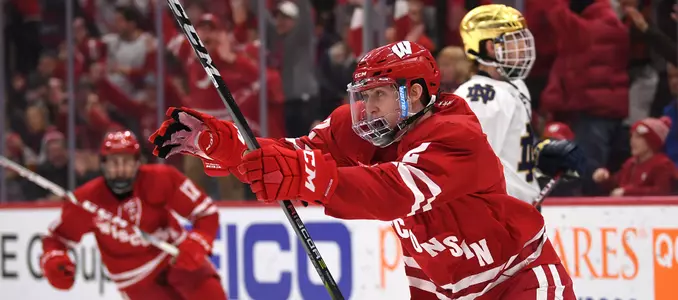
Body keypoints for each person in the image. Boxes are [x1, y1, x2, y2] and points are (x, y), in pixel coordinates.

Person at [149, 41, 584, 299]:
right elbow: (286, 158)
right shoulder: (361, 130)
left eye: (378, 94)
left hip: (519, 282)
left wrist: (302, 174)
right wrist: (220, 144)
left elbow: (391, 191)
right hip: (441, 289)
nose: (366, 108)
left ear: (414, 94)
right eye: (363, 94)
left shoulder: (455, 136)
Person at [39, 130, 227, 300]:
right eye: (114, 162)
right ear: (103, 164)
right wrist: (54, 259)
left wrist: (198, 240)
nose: (120, 169)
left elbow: (205, 212)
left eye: (127, 162)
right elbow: (57, 237)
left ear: (138, 162)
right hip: (136, 281)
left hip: (175, 257)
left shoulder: (161, 179)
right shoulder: (86, 200)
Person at [453, 4, 542, 204]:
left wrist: (542, 159)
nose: (522, 47)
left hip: (524, 212)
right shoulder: (480, 96)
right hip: (500, 215)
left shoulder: (515, 85)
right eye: (514, 40)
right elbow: (473, 166)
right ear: (491, 47)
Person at [593, 117, 676, 196]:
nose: (632, 141)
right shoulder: (630, 163)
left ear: (651, 141)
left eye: (638, 137)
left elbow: (661, 192)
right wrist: (605, 179)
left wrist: (628, 193)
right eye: (632, 136)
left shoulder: (663, 165)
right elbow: (616, 183)